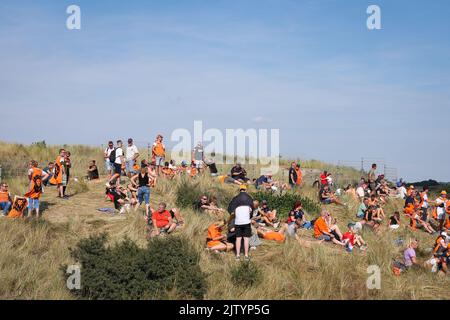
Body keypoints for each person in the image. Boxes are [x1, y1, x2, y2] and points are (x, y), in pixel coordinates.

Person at [227, 185, 253, 261]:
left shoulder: (235, 198)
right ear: (245, 189)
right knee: (246, 239)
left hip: (238, 222)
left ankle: (237, 255)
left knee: (238, 238)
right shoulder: (249, 198)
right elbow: (251, 212)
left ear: (240, 190)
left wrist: (236, 213)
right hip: (246, 221)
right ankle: (246, 255)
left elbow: (229, 210)